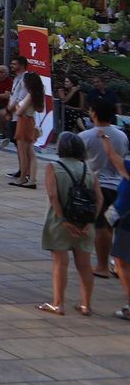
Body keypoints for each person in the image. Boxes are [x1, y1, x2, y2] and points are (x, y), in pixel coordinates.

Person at [41, 131, 101, 316]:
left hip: (61, 221)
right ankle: (86, 305)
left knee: (60, 263)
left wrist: (63, 220)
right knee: (85, 265)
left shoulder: (53, 166)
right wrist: (90, 222)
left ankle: (58, 304)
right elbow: (99, 198)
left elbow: (53, 196)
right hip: (85, 223)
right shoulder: (87, 168)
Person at [80, 98, 129, 281]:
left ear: (93, 113)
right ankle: (117, 264)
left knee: (102, 227)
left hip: (99, 186)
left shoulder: (86, 136)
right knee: (116, 226)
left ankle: (102, 266)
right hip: (120, 186)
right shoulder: (121, 136)